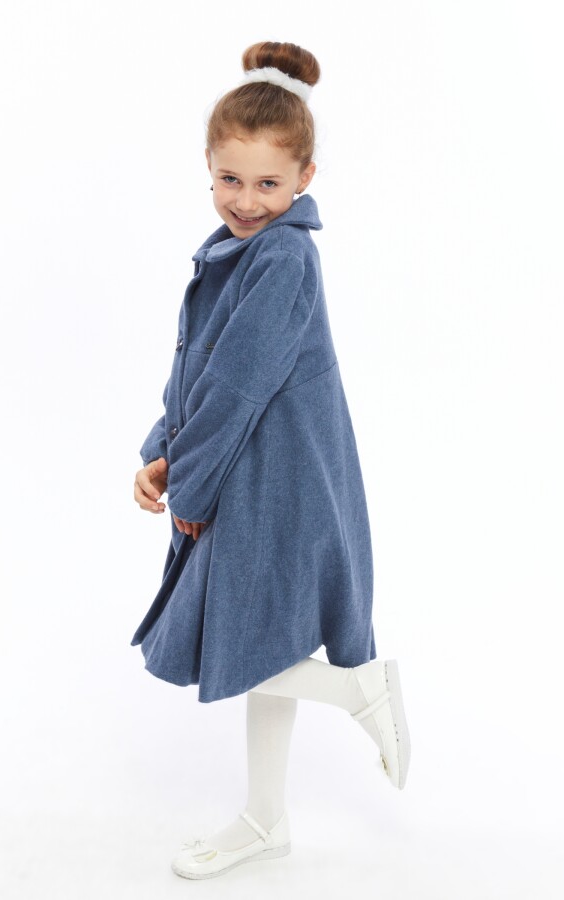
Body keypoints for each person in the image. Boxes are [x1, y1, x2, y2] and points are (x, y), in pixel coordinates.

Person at [131, 40, 411, 880]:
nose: (246, 201)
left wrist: (191, 485)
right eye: (230, 179)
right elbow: (201, 370)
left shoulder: (284, 256)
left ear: (304, 179)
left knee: (249, 639)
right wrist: (161, 451)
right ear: (208, 167)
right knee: (259, 639)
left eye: (267, 184)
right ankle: (265, 818)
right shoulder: (238, 249)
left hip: (270, 479)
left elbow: (237, 389)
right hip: (243, 466)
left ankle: (361, 691)